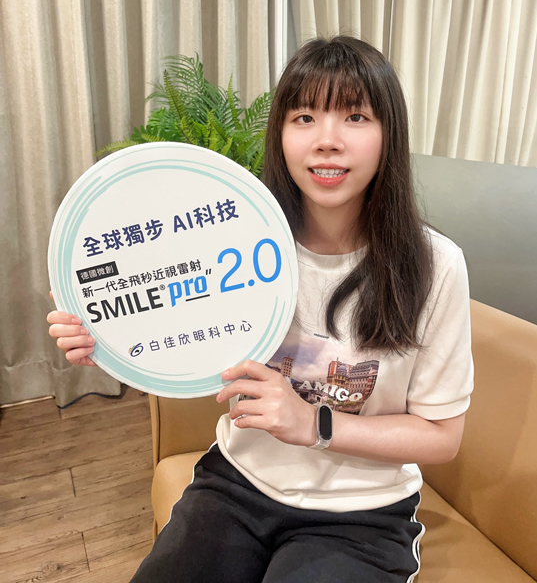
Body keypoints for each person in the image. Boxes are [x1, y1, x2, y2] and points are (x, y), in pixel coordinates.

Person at [48, 36, 473, 583]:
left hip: (362, 515)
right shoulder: (232, 241)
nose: (327, 141)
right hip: (238, 485)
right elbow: (175, 335)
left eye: (355, 117)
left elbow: (442, 436)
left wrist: (314, 423)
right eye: (304, 117)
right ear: (280, 134)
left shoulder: (435, 266)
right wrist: (108, 336)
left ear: (390, 134)